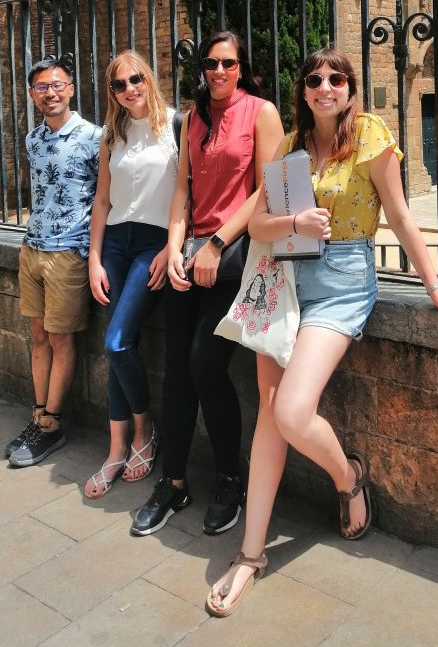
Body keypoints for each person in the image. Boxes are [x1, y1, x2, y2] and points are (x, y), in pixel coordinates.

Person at [206, 47, 438, 616]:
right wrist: (295, 221)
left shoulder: (369, 134)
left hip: (342, 281)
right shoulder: (291, 146)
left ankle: (348, 476)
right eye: (314, 79)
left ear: (349, 86)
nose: (325, 87)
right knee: (269, 413)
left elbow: (401, 213)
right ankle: (250, 556)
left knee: (291, 411)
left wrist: (435, 291)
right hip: (287, 281)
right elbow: (260, 221)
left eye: (336, 78)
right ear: (304, 89)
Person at [131, 31, 284, 537]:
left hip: (233, 257)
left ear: (242, 67)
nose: (218, 72)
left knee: (205, 363)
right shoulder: (191, 120)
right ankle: (174, 483)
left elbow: (267, 190)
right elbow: (182, 190)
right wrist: (175, 248)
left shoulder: (261, 113)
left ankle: (228, 479)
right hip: (190, 255)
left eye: (228, 64)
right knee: (177, 371)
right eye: (211, 64)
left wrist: (216, 244)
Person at [84, 52, 179, 498]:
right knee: (119, 343)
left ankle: (144, 430)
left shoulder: (176, 126)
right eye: (119, 85)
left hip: (152, 244)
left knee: (117, 341)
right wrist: (94, 258)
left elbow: (189, 196)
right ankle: (115, 448)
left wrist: (170, 249)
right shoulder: (111, 135)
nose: (129, 90)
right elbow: (102, 202)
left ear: (149, 78)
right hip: (117, 245)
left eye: (135, 79)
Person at [6, 53, 101, 467]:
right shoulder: (33, 139)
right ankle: (38, 413)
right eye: (41, 87)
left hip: (69, 251)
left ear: (71, 88)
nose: (51, 93)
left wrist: (95, 252)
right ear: (32, 94)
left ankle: (51, 425)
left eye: (57, 84)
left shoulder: (94, 137)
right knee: (38, 335)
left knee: (61, 339)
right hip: (32, 248)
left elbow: (106, 197)